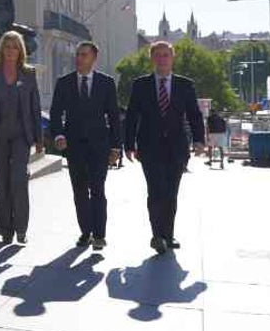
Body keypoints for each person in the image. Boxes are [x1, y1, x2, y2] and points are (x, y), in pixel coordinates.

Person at [124, 41, 206, 254]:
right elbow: (132, 115)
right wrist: (128, 144)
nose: (162, 59)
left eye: (165, 55)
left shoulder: (185, 85)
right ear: (152, 59)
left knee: (171, 193)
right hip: (149, 148)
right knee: (155, 192)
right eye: (158, 55)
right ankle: (157, 235)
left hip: (176, 148)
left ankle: (168, 235)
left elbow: (194, 115)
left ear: (172, 58)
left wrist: (199, 140)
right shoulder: (141, 85)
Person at [49, 41, 122, 251]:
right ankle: (85, 232)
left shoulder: (106, 83)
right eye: (78, 55)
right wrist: (59, 135)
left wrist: (116, 147)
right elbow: (55, 113)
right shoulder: (64, 82)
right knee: (80, 190)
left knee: (98, 189)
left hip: (100, 145)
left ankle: (99, 235)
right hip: (74, 146)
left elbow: (114, 117)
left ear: (93, 58)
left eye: (84, 55)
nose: (79, 58)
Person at [0, 31, 43, 245]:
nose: (11, 51)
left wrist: (39, 138)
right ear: (1, 49)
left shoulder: (28, 73)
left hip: (21, 135)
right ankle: (5, 227)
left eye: (15, 47)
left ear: (20, 50)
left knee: (19, 180)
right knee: (0, 181)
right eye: (7, 46)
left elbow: (35, 107)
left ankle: (21, 228)